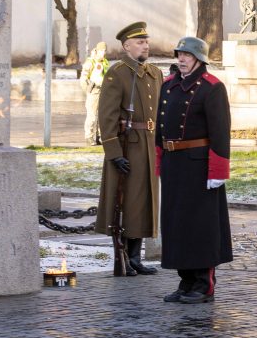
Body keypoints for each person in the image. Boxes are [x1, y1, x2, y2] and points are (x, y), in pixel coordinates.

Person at [157, 37, 233, 304]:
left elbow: (221, 133)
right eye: (179, 54)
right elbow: (160, 128)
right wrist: (160, 161)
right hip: (174, 164)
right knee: (176, 225)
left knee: (200, 226)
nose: (181, 59)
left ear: (200, 59)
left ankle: (203, 284)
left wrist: (218, 170)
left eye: (187, 55)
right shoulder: (168, 86)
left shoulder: (212, 88)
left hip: (199, 167)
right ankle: (185, 281)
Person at [95, 22, 162, 276]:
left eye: (146, 41)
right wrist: (113, 153)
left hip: (150, 145)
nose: (145, 45)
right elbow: (107, 117)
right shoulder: (118, 73)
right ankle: (123, 255)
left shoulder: (155, 73)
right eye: (139, 42)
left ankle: (136, 257)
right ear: (126, 46)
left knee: (145, 203)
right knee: (126, 204)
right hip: (128, 148)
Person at [80, 42, 110, 146]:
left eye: (105, 51)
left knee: (102, 116)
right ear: (97, 50)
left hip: (103, 91)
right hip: (94, 91)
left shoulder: (105, 62)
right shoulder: (91, 62)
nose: (103, 53)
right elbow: (83, 78)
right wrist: (88, 90)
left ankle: (99, 136)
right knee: (92, 116)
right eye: (102, 50)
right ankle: (89, 136)